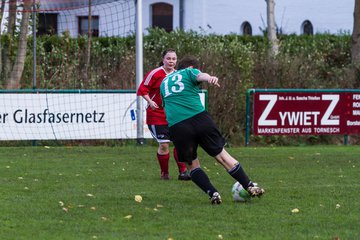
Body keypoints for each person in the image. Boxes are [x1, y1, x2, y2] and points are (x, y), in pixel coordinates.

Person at [160, 55, 265, 204]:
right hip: (200, 119)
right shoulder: (189, 72)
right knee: (222, 156)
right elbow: (200, 75)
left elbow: (166, 106)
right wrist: (209, 78)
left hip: (178, 126)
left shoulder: (163, 83)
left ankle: (213, 193)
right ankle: (248, 185)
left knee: (192, 165)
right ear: (190, 67)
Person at [137, 49, 191, 181]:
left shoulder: (178, 75)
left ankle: (183, 172)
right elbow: (142, 89)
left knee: (180, 143)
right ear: (163, 59)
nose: (171, 61)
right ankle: (164, 173)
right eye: (168, 58)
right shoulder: (155, 73)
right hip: (156, 114)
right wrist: (150, 101)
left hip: (173, 114)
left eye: (173, 59)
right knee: (164, 144)